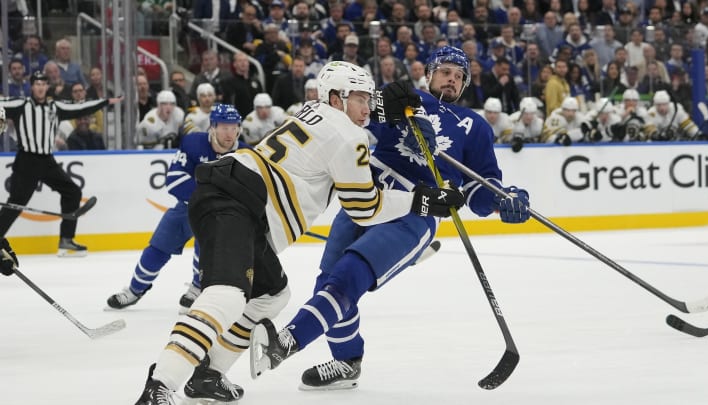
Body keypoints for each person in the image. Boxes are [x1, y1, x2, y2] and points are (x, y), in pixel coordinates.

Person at [134, 61, 463, 404]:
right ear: (337, 98)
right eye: (361, 99)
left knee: (272, 295)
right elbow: (365, 207)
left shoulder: (312, 109)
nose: (367, 108)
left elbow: (351, 110)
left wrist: (388, 107)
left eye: (370, 99)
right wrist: (422, 200)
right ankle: (160, 385)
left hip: (234, 195)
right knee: (228, 295)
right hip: (239, 203)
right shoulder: (350, 137)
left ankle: (208, 375)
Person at [249, 46, 532, 391]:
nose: (452, 80)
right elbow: (363, 113)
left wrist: (507, 201)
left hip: (416, 211)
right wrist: (398, 112)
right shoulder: (403, 97)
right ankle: (347, 361)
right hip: (367, 198)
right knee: (327, 282)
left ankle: (286, 342)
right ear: (428, 74)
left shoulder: (474, 127)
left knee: (347, 275)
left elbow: (479, 190)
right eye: (445, 72)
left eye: (459, 77)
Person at [107, 104, 243, 313]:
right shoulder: (193, 143)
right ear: (213, 127)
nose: (229, 133)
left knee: (205, 246)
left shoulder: (245, 155)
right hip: (187, 209)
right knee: (157, 248)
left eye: (234, 127)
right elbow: (173, 181)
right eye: (224, 127)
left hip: (220, 216)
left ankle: (198, 288)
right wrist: (211, 196)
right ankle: (135, 290)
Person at [0, 72, 122, 257]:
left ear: (47, 87)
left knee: (72, 192)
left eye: (43, 83)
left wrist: (105, 102)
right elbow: (2, 105)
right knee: (15, 204)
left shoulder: (54, 107)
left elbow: (81, 108)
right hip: (27, 161)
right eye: (37, 83)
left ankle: (66, 240)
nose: (40, 87)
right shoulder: (21, 105)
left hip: (46, 160)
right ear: (31, 87)